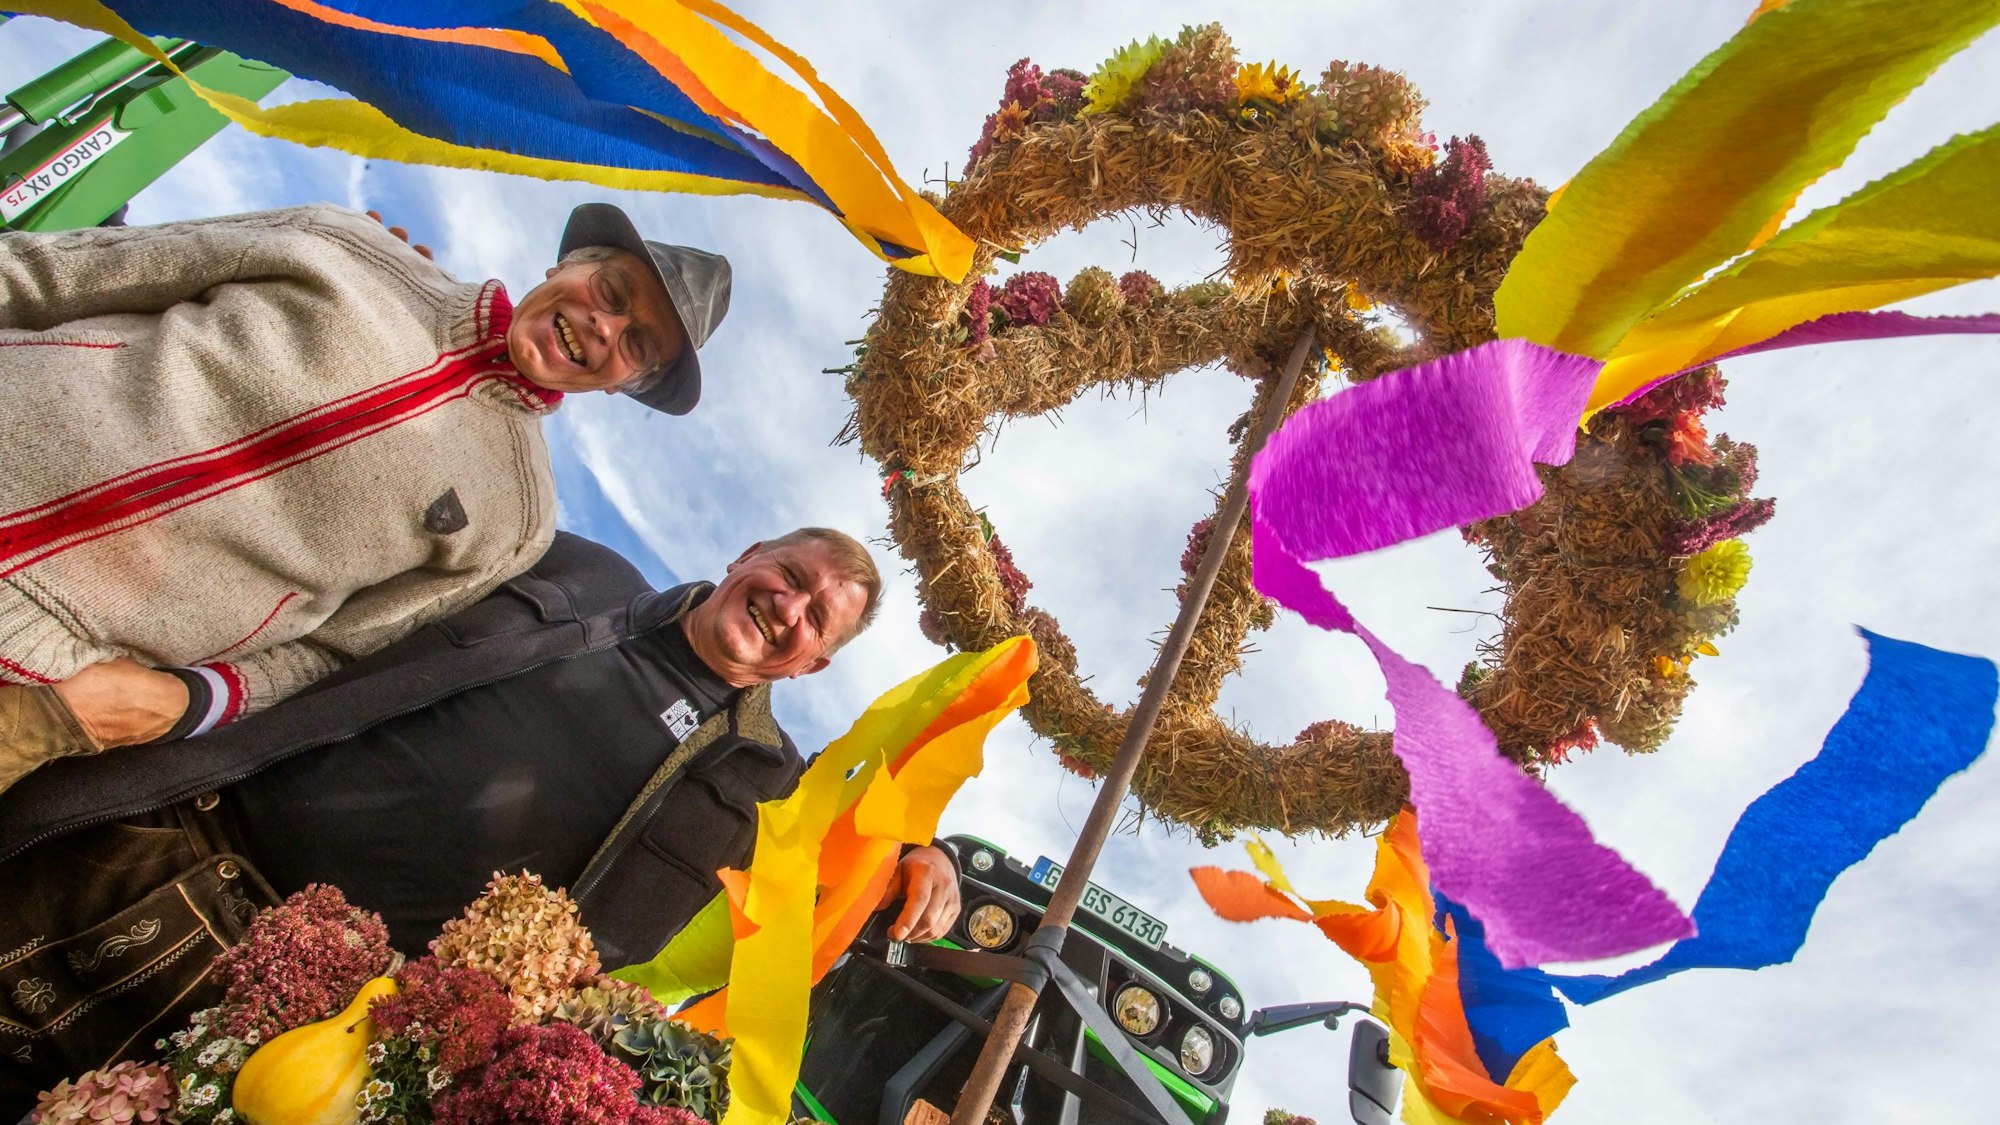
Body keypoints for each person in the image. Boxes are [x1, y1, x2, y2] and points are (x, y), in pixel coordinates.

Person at [0, 527, 963, 1106]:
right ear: (748, 555)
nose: (791, 607)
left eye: (817, 619)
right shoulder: (577, 567)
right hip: (173, 842)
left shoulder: (767, 786)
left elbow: (844, 854)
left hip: (305, 1025)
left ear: (812, 666)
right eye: (791, 576)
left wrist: (926, 848)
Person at [0, 200, 730, 792]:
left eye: (635, 346)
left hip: (45, 676)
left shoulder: (517, 522)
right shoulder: (346, 244)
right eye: (612, 293)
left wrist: (181, 702)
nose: (605, 326)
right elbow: (52, 276)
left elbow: (329, 652)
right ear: (571, 263)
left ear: (622, 385)